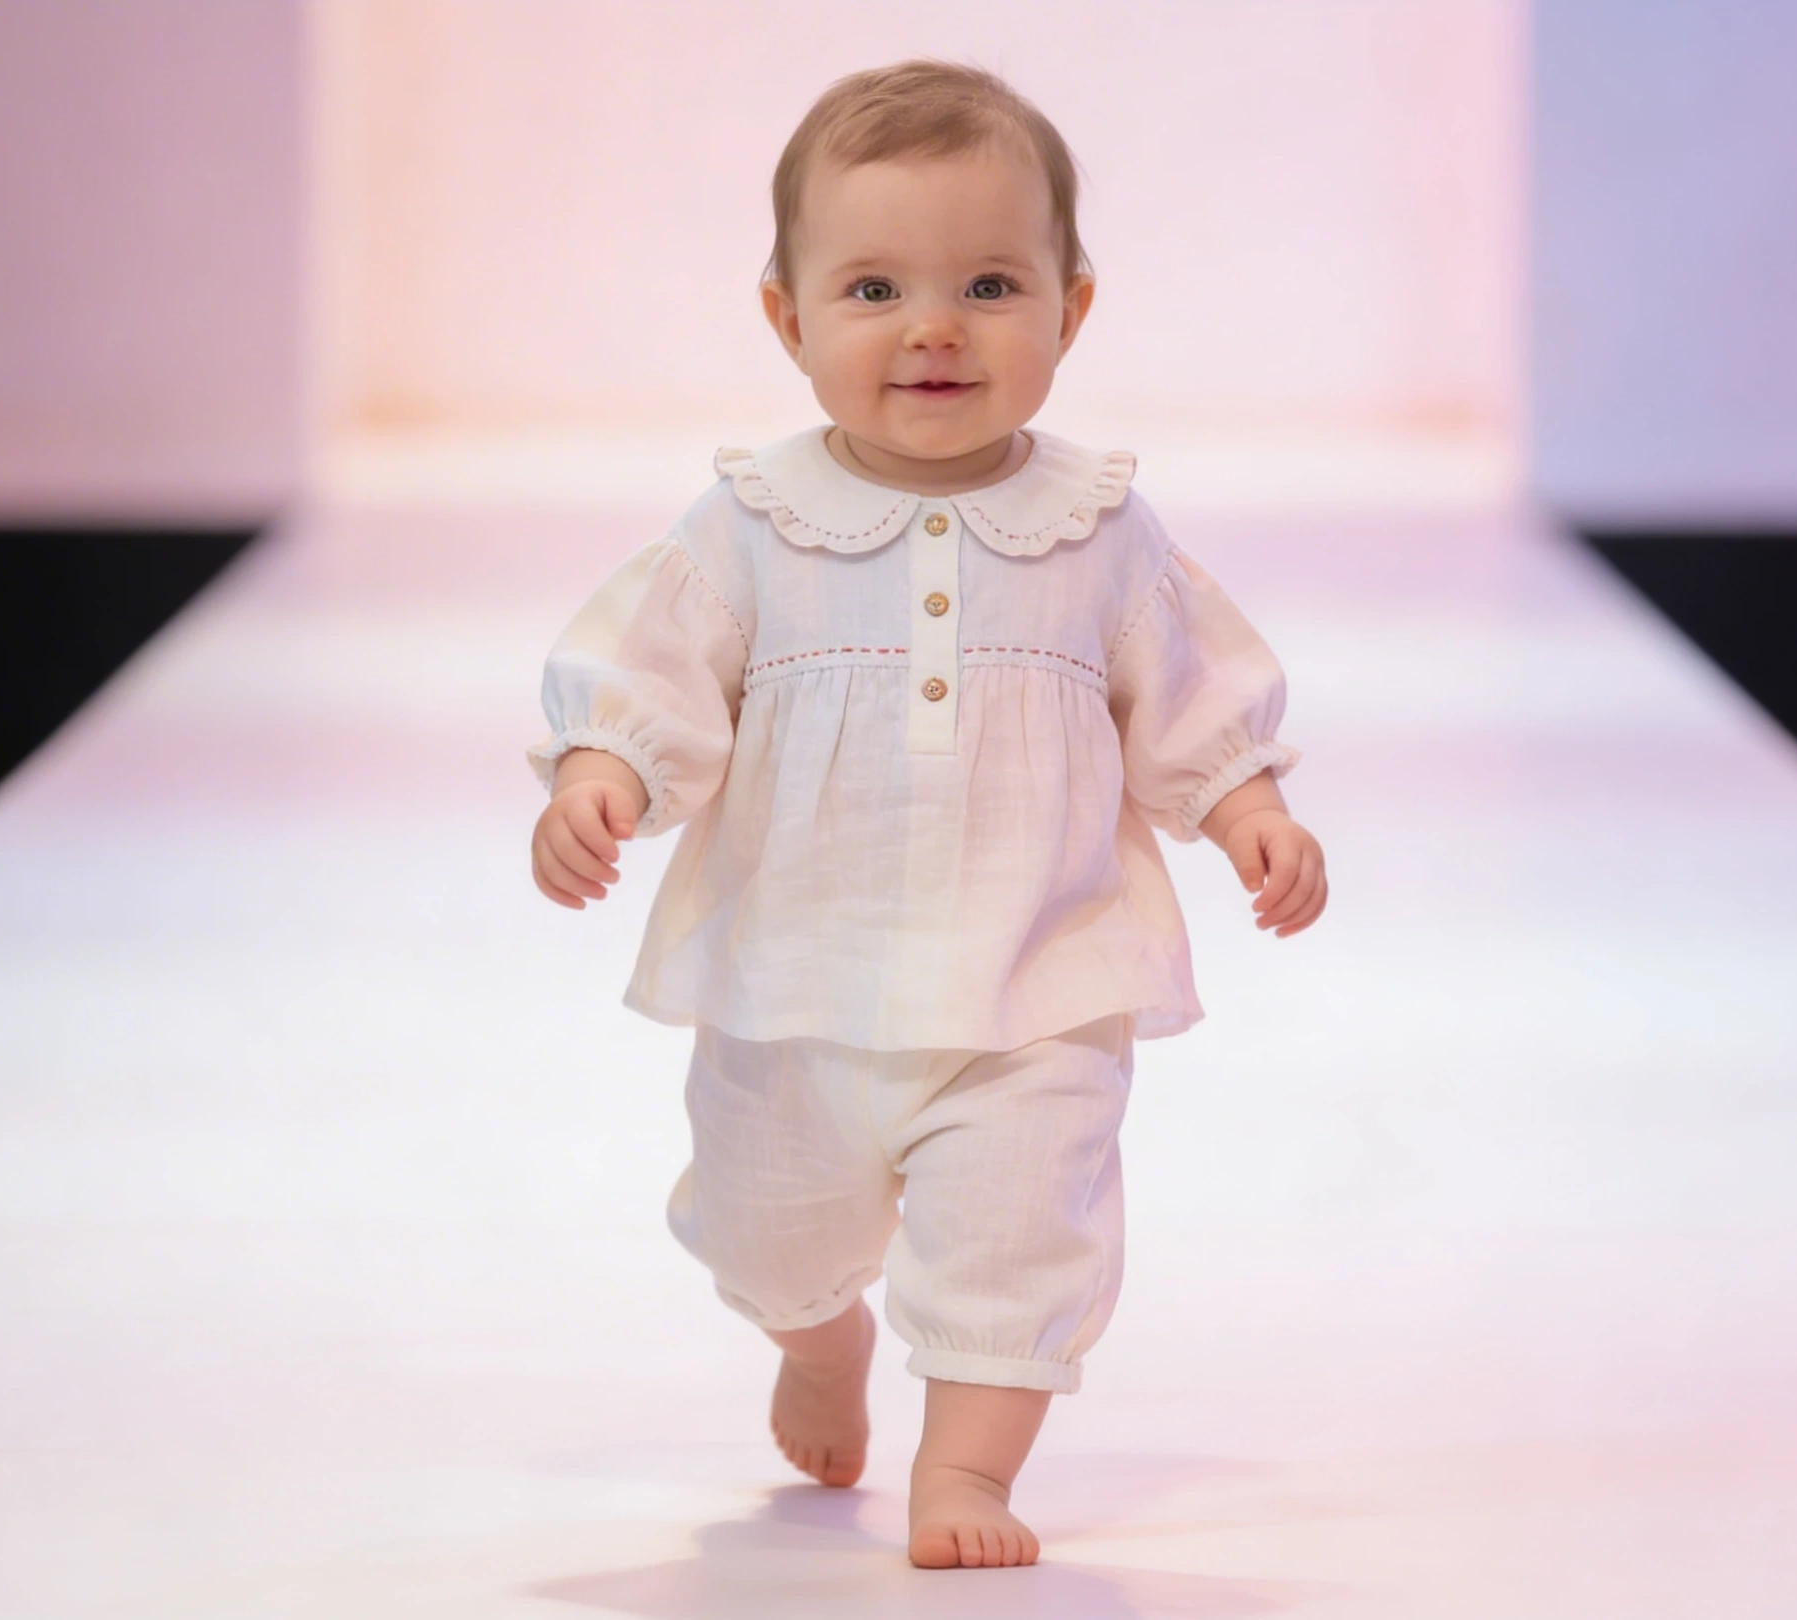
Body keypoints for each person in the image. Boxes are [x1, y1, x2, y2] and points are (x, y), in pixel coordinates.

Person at [526, 61, 1327, 1570]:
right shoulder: (753, 524)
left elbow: (1190, 688)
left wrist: (1249, 807)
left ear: (1071, 312)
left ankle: (965, 1469)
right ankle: (818, 1340)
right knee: (768, 1229)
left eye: (990, 286)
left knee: (1022, 1233)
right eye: (877, 288)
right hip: (794, 980)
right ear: (789, 320)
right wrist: (602, 775)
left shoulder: (1099, 530)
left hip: (1037, 976)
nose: (936, 327)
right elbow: (648, 667)